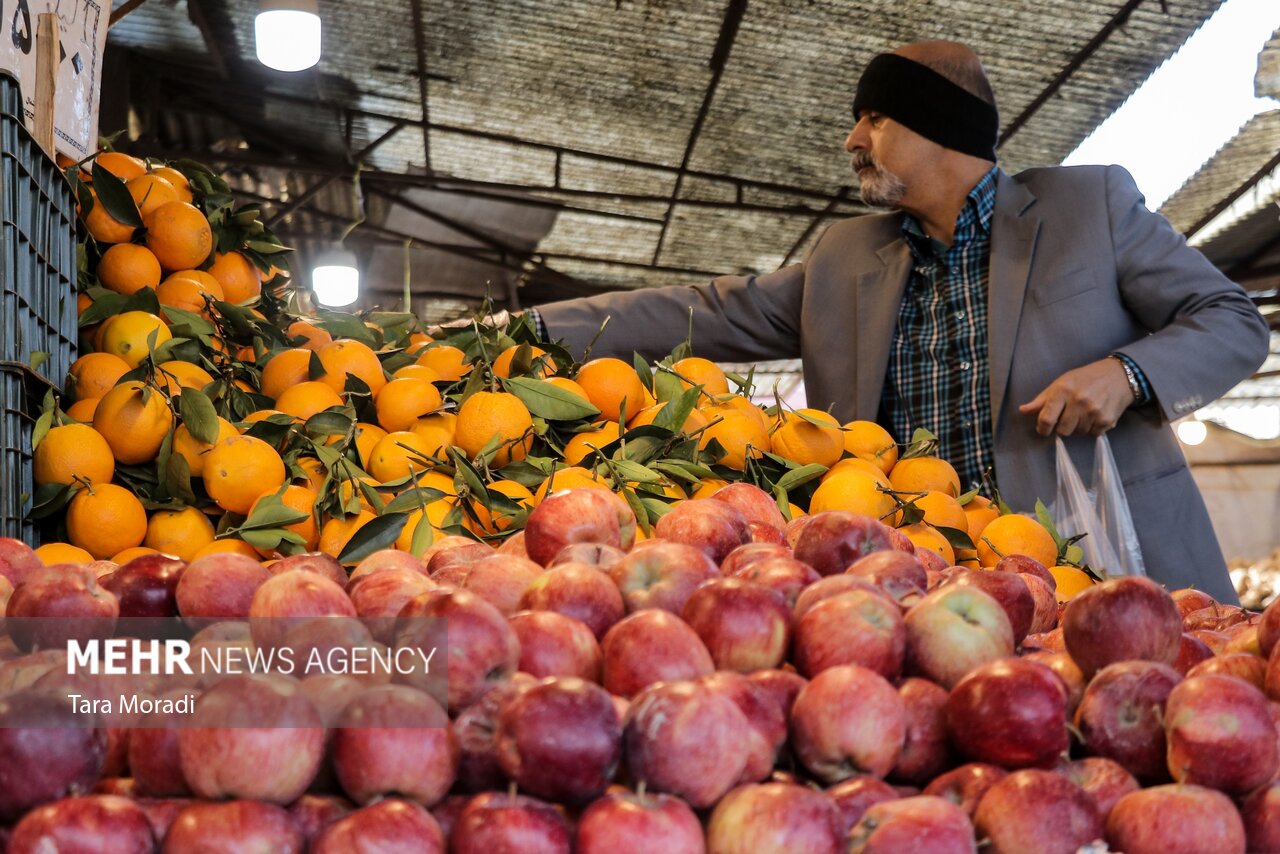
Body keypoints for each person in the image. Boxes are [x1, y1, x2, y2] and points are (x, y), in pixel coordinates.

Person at [512, 41, 1268, 601]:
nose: (852, 140)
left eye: (873, 117)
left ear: (941, 126)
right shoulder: (847, 258)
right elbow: (704, 311)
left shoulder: (1088, 209)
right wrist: (522, 330)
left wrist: (1128, 374)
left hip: (1112, 575)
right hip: (919, 594)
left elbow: (1231, 318)